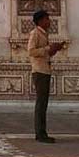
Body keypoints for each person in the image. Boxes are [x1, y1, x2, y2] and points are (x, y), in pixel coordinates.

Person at [27, 9, 65, 143]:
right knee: (41, 103)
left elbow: (45, 52)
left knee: (43, 102)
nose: (49, 21)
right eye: (46, 19)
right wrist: (48, 49)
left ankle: (42, 132)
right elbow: (31, 51)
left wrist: (53, 49)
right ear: (40, 21)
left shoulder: (43, 34)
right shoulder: (35, 33)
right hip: (40, 70)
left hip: (45, 69)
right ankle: (40, 133)